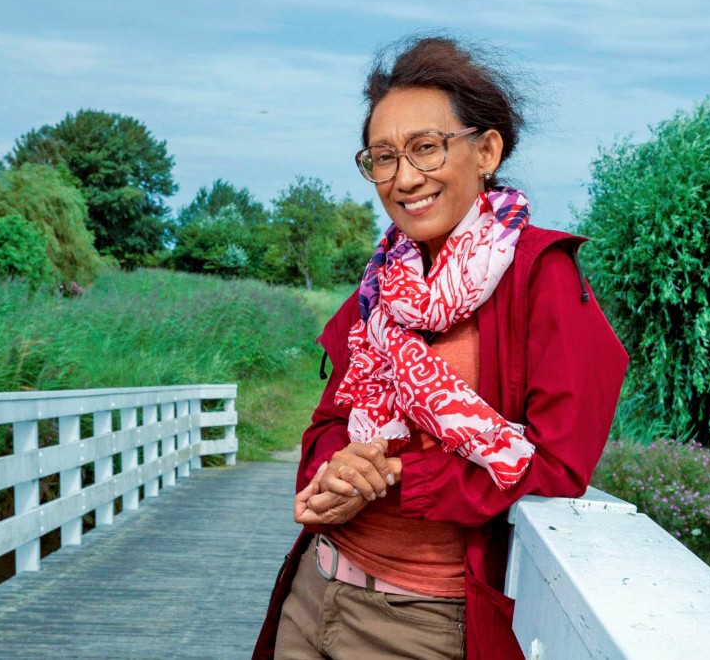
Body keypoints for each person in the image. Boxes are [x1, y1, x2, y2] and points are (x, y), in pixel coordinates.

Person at [253, 36, 627, 660]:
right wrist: (337, 466)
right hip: (315, 591)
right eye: (382, 157)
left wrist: (395, 475)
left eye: (426, 148)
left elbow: (559, 464)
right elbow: (329, 422)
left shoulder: (539, 274)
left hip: (421, 624)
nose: (404, 179)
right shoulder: (382, 282)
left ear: (486, 150)